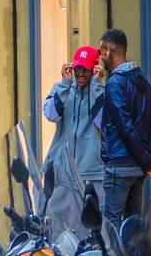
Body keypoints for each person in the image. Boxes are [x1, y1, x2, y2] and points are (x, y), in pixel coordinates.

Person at [95, 29, 151, 230]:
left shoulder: (115, 82)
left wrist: (147, 161)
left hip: (119, 164)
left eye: (101, 52)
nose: (100, 58)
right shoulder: (141, 80)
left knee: (112, 224)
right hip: (138, 167)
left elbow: (125, 127)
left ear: (108, 51)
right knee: (134, 225)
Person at [42, 45, 106, 200]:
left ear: (94, 70)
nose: (81, 74)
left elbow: (101, 121)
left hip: (92, 171)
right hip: (62, 172)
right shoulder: (62, 89)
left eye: (86, 70)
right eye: (77, 69)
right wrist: (65, 83)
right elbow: (51, 115)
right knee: (58, 221)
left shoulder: (101, 91)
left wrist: (97, 86)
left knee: (92, 222)